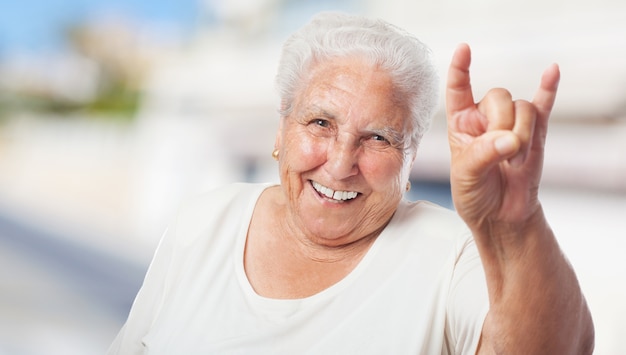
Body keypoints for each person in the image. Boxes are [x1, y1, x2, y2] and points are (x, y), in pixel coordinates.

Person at [108, 12, 594, 354]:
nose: (341, 164)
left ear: (410, 160)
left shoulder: (451, 255)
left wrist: (516, 223)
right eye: (320, 123)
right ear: (281, 129)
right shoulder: (204, 220)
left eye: (378, 137)